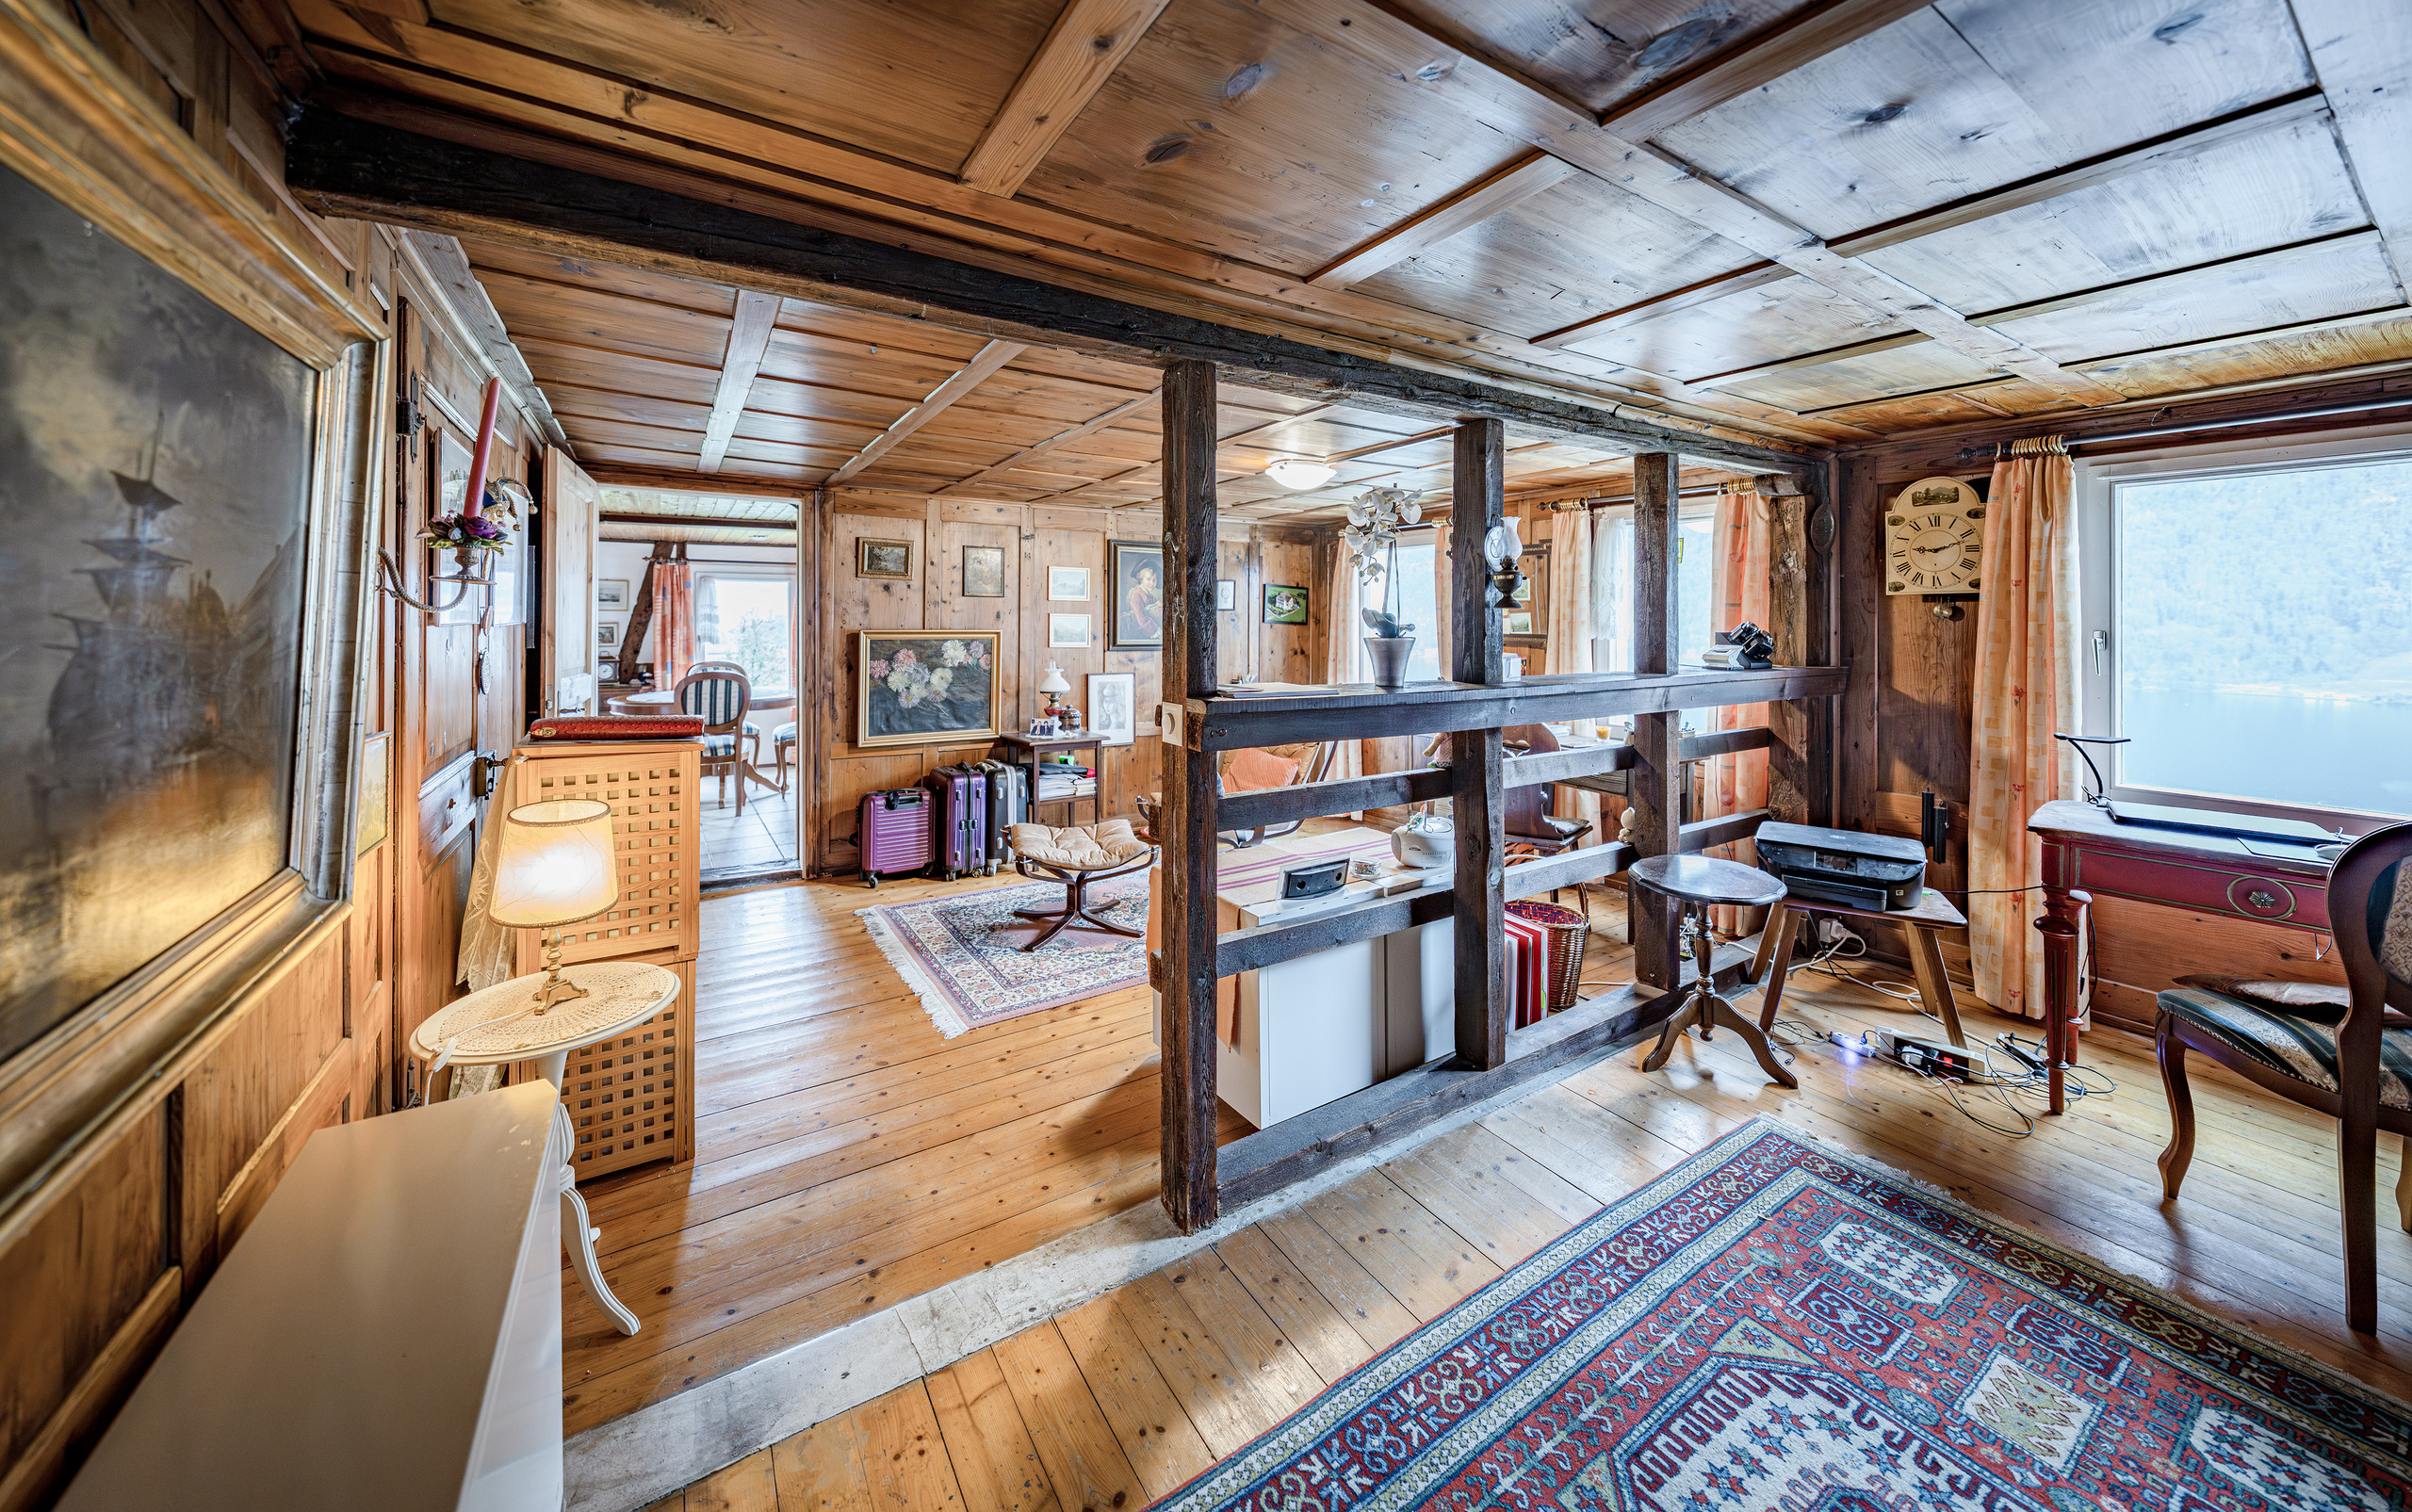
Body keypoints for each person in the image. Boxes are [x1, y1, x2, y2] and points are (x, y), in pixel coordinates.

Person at [1124, 562, 1163, 642]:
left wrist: (1157, 605)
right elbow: (1142, 619)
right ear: (1141, 579)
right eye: (1148, 579)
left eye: (1154, 580)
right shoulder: (1137, 594)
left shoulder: (1150, 596)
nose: (1152, 583)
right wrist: (1158, 633)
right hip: (1142, 633)